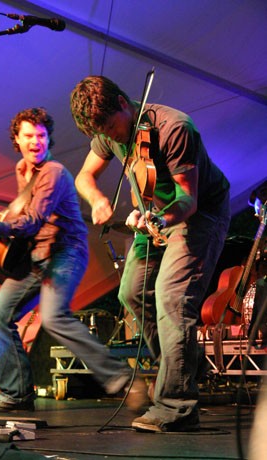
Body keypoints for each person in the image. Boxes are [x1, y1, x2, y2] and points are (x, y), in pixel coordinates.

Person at [70, 76, 231, 432]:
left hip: (197, 213)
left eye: (113, 126)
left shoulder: (175, 128)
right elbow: (84, 176)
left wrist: (156, 218)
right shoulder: (107, 132)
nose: (111, 137)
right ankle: (189, 366)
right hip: (152, 215)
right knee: (131, 292)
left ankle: (177, 405)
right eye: (104, 133)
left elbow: (188, 201)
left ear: (124, 103)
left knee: (172, 297)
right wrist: (97, 200)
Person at [0, 107, 144, 412]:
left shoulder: (55, 172)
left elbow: (33, 221)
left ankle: (125, 379)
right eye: (29, 136)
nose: (36, 142)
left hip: (65, 253)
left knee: (54, 317)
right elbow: (28, 217)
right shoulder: (23, 170)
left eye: (42, 136)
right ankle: (17, 395)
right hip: (35, 258)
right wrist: (2, 217)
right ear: (16, 140)